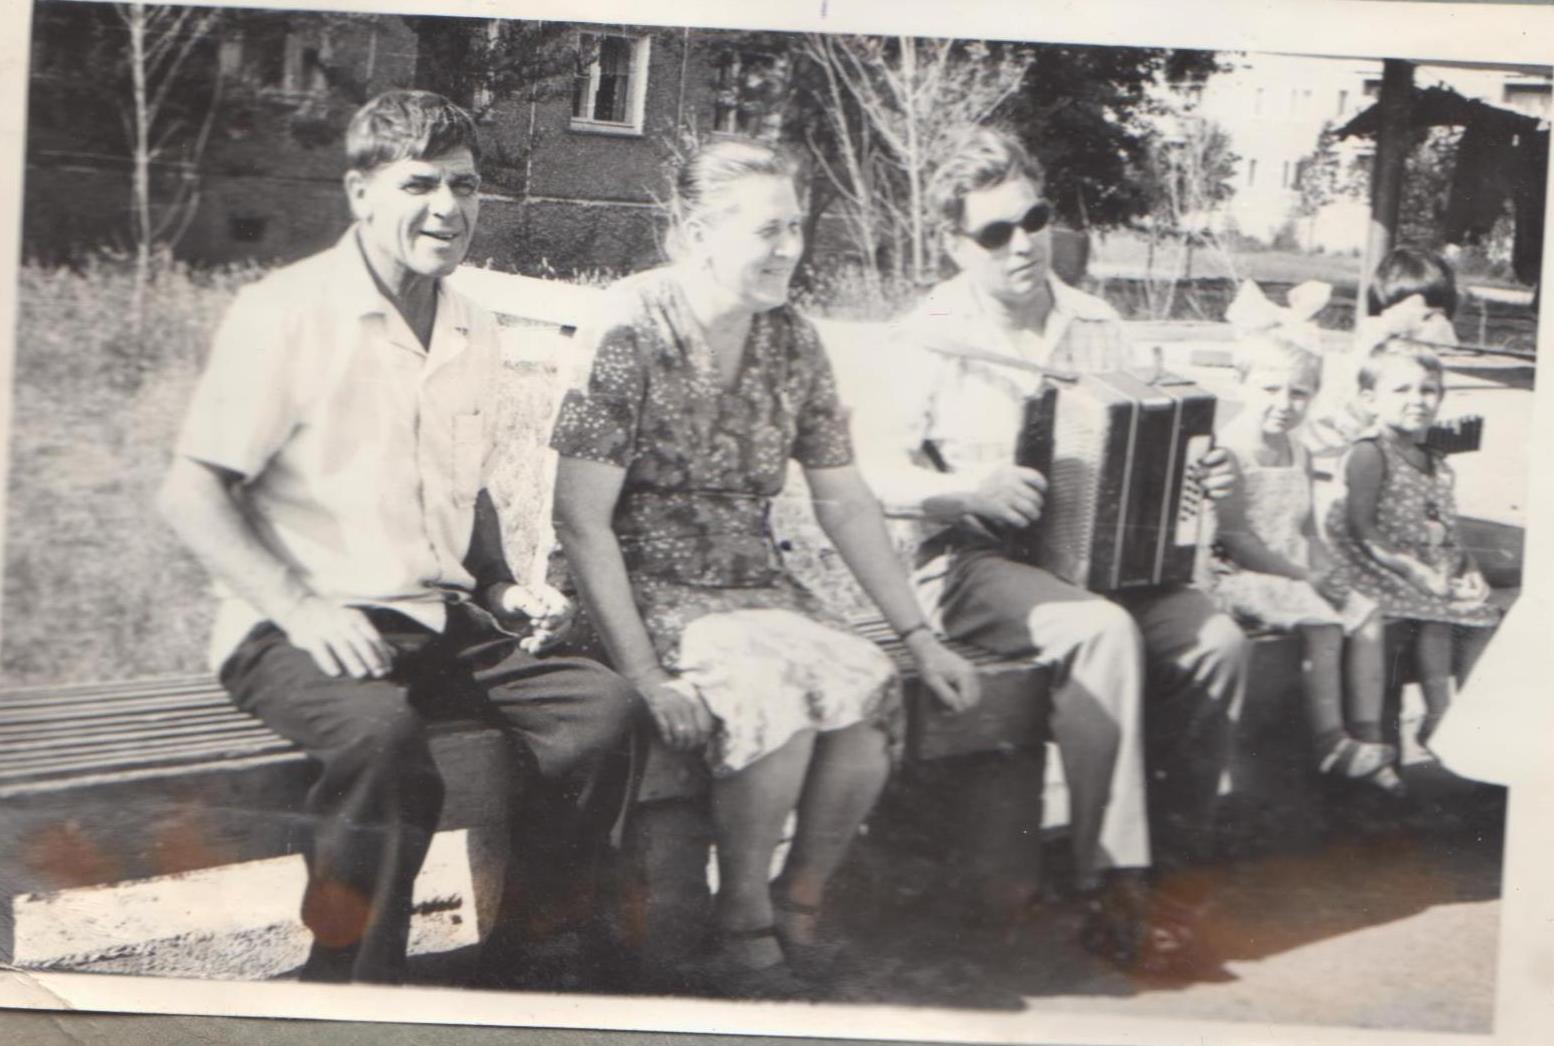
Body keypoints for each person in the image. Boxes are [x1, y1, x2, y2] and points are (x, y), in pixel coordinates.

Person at [157, 90, 638, 987]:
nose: (448, 208)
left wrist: (501, 586)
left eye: (465, 185)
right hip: (294, 627)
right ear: (360, 192)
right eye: (420, 184)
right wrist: (304, 610)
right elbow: (193, 494)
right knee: (384, 743)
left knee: (599, 713)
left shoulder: (474, 326)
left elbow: (467, 487)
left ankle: (531, 957)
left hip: (438, 620)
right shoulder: (287, 313)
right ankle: (350, 985)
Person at [548, 137, 979, 996]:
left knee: (867, 685)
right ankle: (740, 928)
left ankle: (798, 906)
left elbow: (844, 499)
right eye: (767, 230)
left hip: (753, 584)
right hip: (634, 591)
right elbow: (579, 520)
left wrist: (919, 637)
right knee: (773, 693)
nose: (789, 249)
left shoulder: (794, 339)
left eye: (796, 228)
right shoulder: (630, 324)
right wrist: (644, 674)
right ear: (698, 234)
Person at [845, 126, 1246, 973]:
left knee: (1215, 639)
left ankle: (1177, 877)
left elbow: (1151, 433)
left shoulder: (1096, 324)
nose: (1023, 244)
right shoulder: (926, 335)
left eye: (1034, 219)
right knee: (1100, 633)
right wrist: (966, 489)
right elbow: (871, 473)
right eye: (995, 232)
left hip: (1099, 562)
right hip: (970, 561)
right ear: (956, 244)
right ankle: (1114, 886)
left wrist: (1204, 467)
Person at [1206, 334, 1401, 794]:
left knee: (1366, 612)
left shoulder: (1300, 451)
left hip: (1296, 571)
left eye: (1299, 393)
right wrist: (1305, 577)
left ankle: (1367, 733)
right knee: (1324, 622)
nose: (1284, 404)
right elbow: (1236, 539)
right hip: (1243, 577)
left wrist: (1327, 570)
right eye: (1270, 389)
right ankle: (1331, 741)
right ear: (1240, 383)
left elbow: (1309, 528)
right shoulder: (1228, 451)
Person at [1322, 340, 1501, 757]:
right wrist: (1417, 573)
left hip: (1427, 563)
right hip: (1377, 563)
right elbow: (1362, 528)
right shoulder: (1370, 453)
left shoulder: (1434, 460)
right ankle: (1439, 715)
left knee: (1485, 619)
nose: (1417, 400)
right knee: (1437, 618)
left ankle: (1469, 717)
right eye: (1401, 390)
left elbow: (1447, 529)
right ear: (1370, 399)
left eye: (1428, 390)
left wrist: (1469, 566)